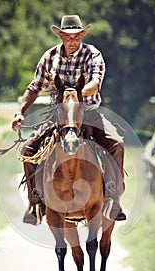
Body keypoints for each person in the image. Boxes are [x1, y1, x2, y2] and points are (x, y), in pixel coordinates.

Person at [12, 15, 126, 225]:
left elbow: (96, 82)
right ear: (61, 36)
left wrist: (72, 95)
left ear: (82, 35)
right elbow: (34, 87)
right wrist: (20, 111)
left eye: (76, 36)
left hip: (88, 113)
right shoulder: (50, 57)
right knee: (28, 149)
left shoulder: (92, 54)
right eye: (68, 36)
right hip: (58, 114)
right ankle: (35, 202)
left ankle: (113, 195)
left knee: (116, 143)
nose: (72, 40)